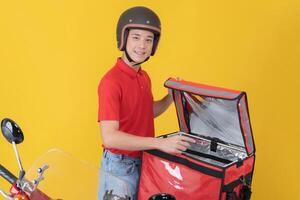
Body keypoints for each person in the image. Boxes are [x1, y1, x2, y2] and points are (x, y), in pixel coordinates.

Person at [97, 6, 195, 200]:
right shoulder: (111, 82)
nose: (142, 45)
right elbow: (109, 138)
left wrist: (170, 98)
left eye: (148, 40)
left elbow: (145, 112)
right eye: (136, 37)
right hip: (119, 166)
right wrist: (160, 144)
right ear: (123, 39)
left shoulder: (143, 77)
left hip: (144, 159)